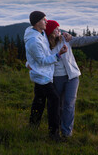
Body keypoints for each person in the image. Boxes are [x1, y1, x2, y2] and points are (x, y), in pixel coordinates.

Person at [45, 20, 98, 139]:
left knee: (69, 104)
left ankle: (67, 133)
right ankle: (55, 129)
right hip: (56, 78)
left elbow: (82, 40)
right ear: (50, 32)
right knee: (57, 104)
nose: (59, 30)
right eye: (56, 29)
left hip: (72, 77)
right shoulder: (44, 45)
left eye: (59, 28)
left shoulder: (65, 39)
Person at [24, 11, 67, 141]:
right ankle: (54, 134)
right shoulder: (34, 41)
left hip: (43, 75)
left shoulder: (40, 33)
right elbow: (42, 61)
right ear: (37, 23)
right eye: (44, 20)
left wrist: (64, 35)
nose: (46, 22)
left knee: (39, 101)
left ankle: (33, 127)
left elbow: (34, 56)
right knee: (54, 99)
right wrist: (59, 54)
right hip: (42, 76)